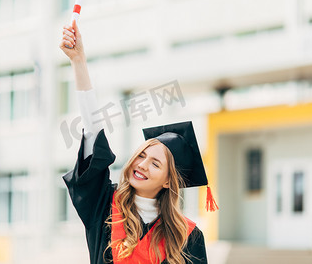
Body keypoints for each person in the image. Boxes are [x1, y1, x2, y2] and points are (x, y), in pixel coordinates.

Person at [59, 20, 216, 264]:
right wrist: (78, 61)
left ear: (168, 180)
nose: (142, 164)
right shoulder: (104, 204)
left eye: (155, 163)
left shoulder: (189, 236)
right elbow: (93, 135)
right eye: (142, 155)